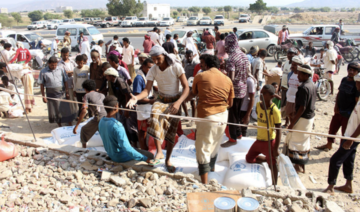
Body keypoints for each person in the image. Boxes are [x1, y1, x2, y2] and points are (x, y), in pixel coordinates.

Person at [126, 45, 189, 173]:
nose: (155, 62)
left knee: (171, 132)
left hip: (174, 101)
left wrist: (178, 103)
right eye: (153, 59)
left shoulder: (176, 66)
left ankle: (168, 160)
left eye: (158, 58)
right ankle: (159, 151)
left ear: (164, 55)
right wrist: (136, 98)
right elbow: (146, 90)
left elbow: (186, 87)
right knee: (154, 115)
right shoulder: (153, 69)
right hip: (161, 99)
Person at [185, 54, 234, 184]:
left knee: (203, 147)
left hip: (207, 116)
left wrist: (180, 102)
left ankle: (205, 183)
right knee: (215, 144)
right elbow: (231, 103)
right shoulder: (227, 79)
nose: (200, 67)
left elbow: (193, 93)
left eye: (201, 64)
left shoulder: (200, 76)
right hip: (223, 116)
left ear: (206, 64)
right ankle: (211, 169)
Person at [323, 64, 360, 195]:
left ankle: (330, 187)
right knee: (349, 159)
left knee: (335, 160)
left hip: (352, 136)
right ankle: (348, 185)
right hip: (351, 134)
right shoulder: (347, 82)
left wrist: (351, 139)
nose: (357, 85)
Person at [316, 62, 360, 151]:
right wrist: (336, 106)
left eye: (354, 70)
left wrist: (353, 114)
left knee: (345, 133)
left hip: (348, 113)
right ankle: (329, 144)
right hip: (339, 110)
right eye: (350, 69)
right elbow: (339, 93)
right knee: (332, 129)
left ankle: (342, 149)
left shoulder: (357, 84)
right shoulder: (344, 79)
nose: (351, 72)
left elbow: (356, 100)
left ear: (357, 72)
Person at [98, 95, 154, 163]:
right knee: (150, 155)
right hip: (120, 157)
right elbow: (127, 149)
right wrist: (145, 159)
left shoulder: (101, 121)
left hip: (111, 154)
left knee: (136, 150)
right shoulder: (117, 125)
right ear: (116, 107)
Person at [283, 65, 316, 173]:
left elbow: (302, 107)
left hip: (303, 118)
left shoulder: (303, 87)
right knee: (304, 141)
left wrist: (293, 122)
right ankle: (302, 166)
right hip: (309, 118)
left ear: (306, 75)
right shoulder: (311, 84)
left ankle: (297, 166)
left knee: (296, 142)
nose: (298, 76)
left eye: (300, 74)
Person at [246, 85, 281, 185]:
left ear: (271, 96)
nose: (261, 95)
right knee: (249, 158)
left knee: (273, 165)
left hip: (269, 141)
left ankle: (274, 184)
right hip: (259, 140)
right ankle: (266, 159)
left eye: (264, 93)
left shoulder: (274, 110)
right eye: (261, 92)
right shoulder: (258, 105)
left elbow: (279, 130)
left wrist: (276, 148)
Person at [221, 33, 249, 148]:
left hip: (234, 91)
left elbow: (231, 77)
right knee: (237, 115)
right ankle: (239, 134)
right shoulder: (243, 55)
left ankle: (232, 138)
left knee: (232, 116)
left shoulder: (232, 57)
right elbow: (247, 72)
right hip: (243, 89)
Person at [38, 57, 74, 127]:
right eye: (52, 65)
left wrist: (67, 92)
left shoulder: (61, 70)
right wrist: (43, 96)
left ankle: (69, 123)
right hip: (50, 93)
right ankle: (59, 124)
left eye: (55, 65)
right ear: (48, 64)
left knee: (66, 108)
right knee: (56, 110)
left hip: (61, 92)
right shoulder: (43, 71)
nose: (54, 66)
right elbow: (41, 85)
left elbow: (65, 81)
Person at [73, 79, 106, 148]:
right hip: (107, 117)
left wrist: (76, 125)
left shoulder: (86, 96)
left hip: (99, 118)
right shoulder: (102, 95)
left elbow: (84, 111)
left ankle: (84, 149)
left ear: (85, 89)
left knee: (84, 130)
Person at [133, 58, 156, 150]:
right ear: (143, 66)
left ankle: (147, 148)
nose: (150, 70)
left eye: (151, 68)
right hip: (143, 108)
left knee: (147, 129)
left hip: (148, 107)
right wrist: (151, 101)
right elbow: (137, 97)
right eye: (148, 68)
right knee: (142, 131)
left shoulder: (147, 76)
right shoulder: (139, 78)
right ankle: (143, 148)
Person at [285, 55, 303, 126]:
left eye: (295, 65)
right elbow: (289, 85)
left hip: (297, 100)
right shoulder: (290, 74)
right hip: (289, 99)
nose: (292, 66)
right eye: (292, 64)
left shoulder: (302, 75)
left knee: (297, 117)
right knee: (290, 115)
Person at [238, 68, 257, 137]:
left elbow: (252, 98)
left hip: (244, 109)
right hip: (237, 108)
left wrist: (247, 115)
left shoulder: (249, 81)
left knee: (242, 131)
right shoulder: (238, 78)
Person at [182, 50, 198, 117]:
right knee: (182, 100)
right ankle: (187, 115)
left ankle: (193, 117)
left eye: (190, 56)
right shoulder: (184, 61)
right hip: (185, 84)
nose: (189, 58)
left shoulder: (195, 64)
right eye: (187, 56)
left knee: (192, 102)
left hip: (192, 85)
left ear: (192, 56)